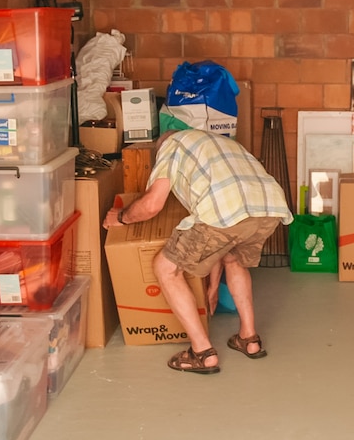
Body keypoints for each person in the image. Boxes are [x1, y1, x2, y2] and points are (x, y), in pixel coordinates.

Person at [102, 129, 293, 374]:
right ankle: (249, 339)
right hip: (270, 206)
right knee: (234, 259)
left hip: (227, 210)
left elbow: (151, 205)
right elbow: (221, 239)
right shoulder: (220, 143)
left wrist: (122, 217)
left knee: (165, 268)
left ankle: (202, 353)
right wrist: (212, 287)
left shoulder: (171, 147)